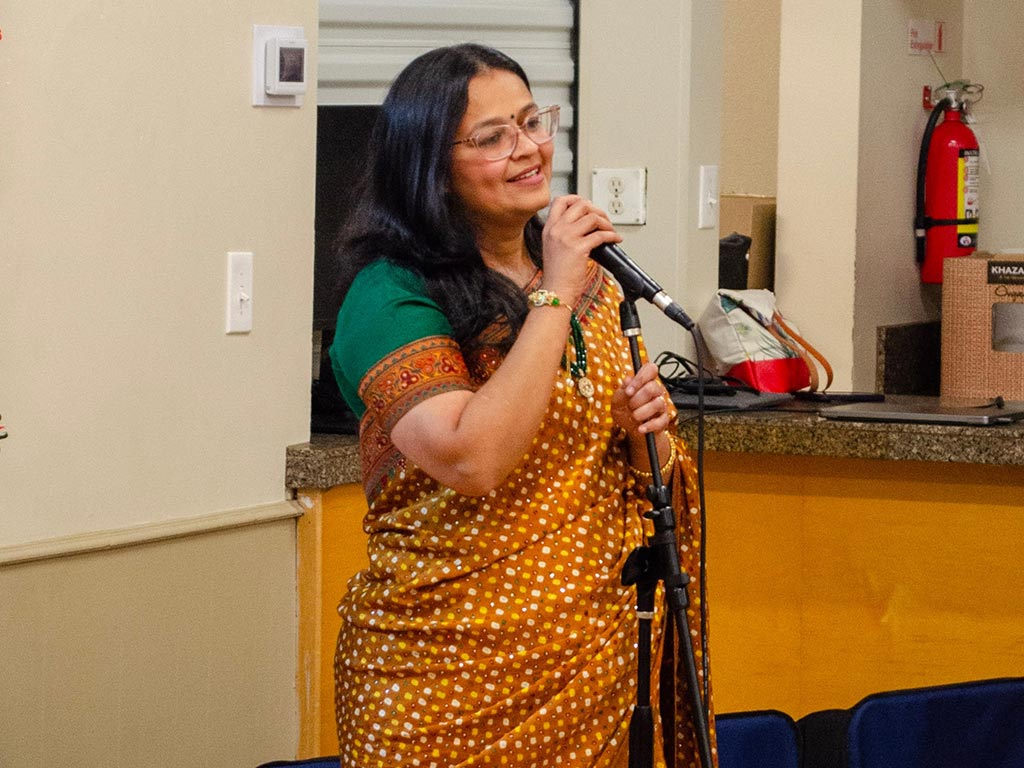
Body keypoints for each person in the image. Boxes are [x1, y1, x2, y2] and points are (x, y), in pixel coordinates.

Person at [329, 43, 714, 768]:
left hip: (589, 670)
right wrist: (556, 293)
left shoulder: (591, 283)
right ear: (428, 165)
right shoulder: (390, 295)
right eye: (492, 137)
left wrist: (645, 437)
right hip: (444, 682)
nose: (529, 148)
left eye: (533, 122)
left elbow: (638, 480)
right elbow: (470, 459)